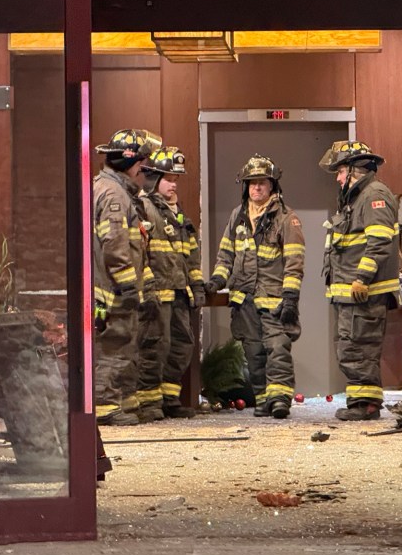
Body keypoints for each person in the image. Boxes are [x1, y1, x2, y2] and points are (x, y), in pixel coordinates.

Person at [205, 155, 304, 419]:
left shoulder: (286, 218)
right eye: (252, 183)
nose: (256, 188)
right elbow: (225, 255)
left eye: (262, 183)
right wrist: (217, 280)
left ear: (272, 186)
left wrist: (291, 297)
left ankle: (280, 399)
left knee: (278, 348)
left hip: (275, 298)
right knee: (254, 352)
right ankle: (262, 400)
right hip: (244, 298)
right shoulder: (237, 217)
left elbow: (294, 260)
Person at [319, 141, 400, 421]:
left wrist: (362, 278)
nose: (338, 179)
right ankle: (359, 401)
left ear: (354, 170)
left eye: (340, 172)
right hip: (348, 292)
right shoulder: (357, 198)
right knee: (350, 346)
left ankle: (365, 405)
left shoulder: (373, 195)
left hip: (362, 292)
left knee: (360, 347)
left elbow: (379, 242)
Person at [92, 128, 162, 428]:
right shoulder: (114, 195)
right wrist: (127, 284)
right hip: (114, 289)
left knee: (125, 344)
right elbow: (115, 244)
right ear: (130, 164)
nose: (145, 172)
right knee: (116, 344)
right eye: (143, 165)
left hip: (116, 286)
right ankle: (106, 405)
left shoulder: (111, 189)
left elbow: (135, 245)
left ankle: (125, 400)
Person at [137, 146, 205, 420]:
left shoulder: (177, 213)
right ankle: (149, 403)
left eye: (176, 179)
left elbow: (191, 254)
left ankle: (168, 398)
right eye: (169, 178)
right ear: (153, 179)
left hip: (179, 292)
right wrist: (147, 288)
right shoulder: (143, 208)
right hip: (157, 294)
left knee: (181, 345)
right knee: (155, 346)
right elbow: (138, 253)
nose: (174, 184)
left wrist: (197, 286)